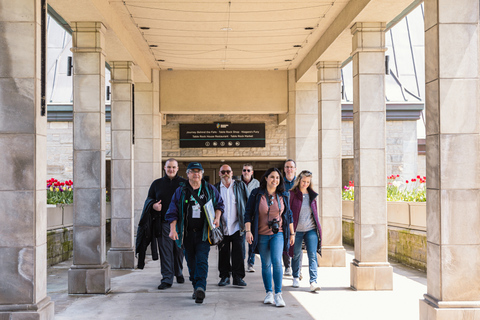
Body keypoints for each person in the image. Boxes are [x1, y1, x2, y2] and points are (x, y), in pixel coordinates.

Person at [166, 162, 224, 304]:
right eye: (193, 171)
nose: (196, 174)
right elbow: (172, 211)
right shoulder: (181, 190)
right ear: (187, 174)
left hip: (203, 233)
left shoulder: (209, 189)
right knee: (191, 263)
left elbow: (219, 204)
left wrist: (217, 218)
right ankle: (195, 287)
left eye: (199, 172)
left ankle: (200, 287)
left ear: (202, 174)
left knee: (202, 260)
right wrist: (173, 230)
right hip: (186, 234)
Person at [245, 167, 294, 307]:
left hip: (277, 233)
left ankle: (278, 294)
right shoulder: (256, 193)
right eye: (272, 177)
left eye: (277, 178)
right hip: (261, 234)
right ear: (266, 178)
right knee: (266, 264)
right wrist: (248, 231)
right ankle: (269, 293)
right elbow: (247, 213)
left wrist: (292, 233)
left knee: (277, 262)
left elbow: (288, 214)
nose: (275, 180)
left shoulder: (283, 194)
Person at [147, 158, 187, 289]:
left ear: (177, 169)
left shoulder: (184, 183)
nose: (171, 170)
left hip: (181, 224)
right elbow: (149, 200)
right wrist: (153, 206)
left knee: (179, 250)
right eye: (169, 167)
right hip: (163, 223)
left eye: (174, 167)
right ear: (164, 168)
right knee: (165, 251)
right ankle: (167, 278)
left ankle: (178, 272)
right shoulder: (156, 184)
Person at [214, 164, 249, 287]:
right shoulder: (216, 188)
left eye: (228, 171)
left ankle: (238, 277)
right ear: (219, 174)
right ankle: (224, 277)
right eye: (223, 172)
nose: (225, 174)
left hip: (237, 226)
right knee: (223, 253)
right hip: (221, 226)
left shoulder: (240, 186)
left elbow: (248, 203)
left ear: (232, 173)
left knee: (238, 253)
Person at [288, 170, 322, 292]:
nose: (305, 184)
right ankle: (296, 276)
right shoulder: (292, 194)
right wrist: (290, 231)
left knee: (312, 255)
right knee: (296, 254)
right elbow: (289, 213)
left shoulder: (312, 195)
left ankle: (313, 281)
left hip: (311, 229)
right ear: (299, 180)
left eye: (308, 182)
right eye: (303, 181)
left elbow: (315, 213)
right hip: (296, 230)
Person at [241, 163, 260, 273]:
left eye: (248, 170)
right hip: (240, 216)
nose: (246, 172)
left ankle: (250, 263)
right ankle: (242, 262)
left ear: (252, 172)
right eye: (244, 170)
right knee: (241, 242)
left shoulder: (256, 183)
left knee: (252, 241)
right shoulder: (238, 183)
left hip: (252, 216)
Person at [282, 159, 297, 276]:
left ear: (295, 169)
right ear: (284, 169)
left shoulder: (300, 183)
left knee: (297, 243)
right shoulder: (281, 183)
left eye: (291, 167)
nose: (289, 169)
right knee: (285, 242)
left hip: (297, 217)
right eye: (287, 167)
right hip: (285, 217)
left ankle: (297, 268)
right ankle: (287, 266)